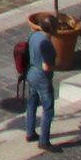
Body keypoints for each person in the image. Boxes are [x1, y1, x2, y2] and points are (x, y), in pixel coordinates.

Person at [23, 22, 58, 152]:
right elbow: (46, 66)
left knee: (32, 103)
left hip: (31, 73)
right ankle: (44, 141)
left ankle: (30, 132)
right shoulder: (46, 43)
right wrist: (57, 66)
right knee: (48, 109)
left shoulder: (34, 35)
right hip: (42, 78)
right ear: (53, 29)